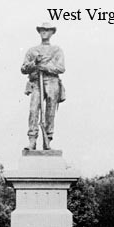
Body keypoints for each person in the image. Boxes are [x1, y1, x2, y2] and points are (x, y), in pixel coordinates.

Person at [21, 22, 65, 150]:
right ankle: (32, 140)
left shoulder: (56, 50)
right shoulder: (32, 51)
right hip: (36, 82)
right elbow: (23, 68)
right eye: (42, 30)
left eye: (47, 30)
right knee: (33, 110)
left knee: (50, 111)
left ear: (52, 33)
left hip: (51, 81)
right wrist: (35, 63)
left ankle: (48, 139)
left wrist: (44, 66)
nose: (44, 32)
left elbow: (61, 68)